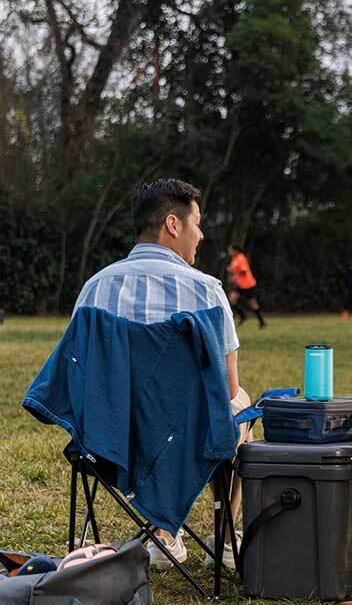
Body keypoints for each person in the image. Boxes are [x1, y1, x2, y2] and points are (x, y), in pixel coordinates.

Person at [72, 178, 251, 571]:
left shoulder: (93, 290)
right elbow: (227, 388)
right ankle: (224, 539)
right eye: (197, 224)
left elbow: (78, 376)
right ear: (173, 224)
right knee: (241, 402)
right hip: (188, 438)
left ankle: (165, 535)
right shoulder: (207, 291)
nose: (201, 235)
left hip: (109, 438)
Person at [227, 244, 266, 329]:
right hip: (239, 285)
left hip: (247, 285)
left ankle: (262, 322)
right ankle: (243, 316)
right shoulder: (234, 258)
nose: (229, 252)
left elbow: (243, 271)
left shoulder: (241, 258)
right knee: (232, 299)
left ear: (236, 250)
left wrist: (233, 271)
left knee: (252, 303)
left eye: (230, 250)